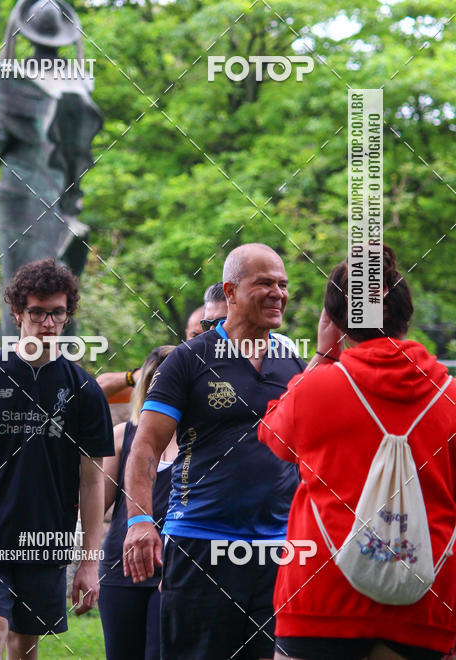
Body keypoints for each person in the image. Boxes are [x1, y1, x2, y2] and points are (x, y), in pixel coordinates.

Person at [259, 245, 456, 660]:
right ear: (406, 314)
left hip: (320, 599)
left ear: (337, 321)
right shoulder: (450, 397)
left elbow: (272, 436)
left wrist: (322, 354)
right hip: (424, 599)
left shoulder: (314, 391)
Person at [123, 243, 305, 660]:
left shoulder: (291, 360)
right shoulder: (188, 360)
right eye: (265, 283)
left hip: (277, 551)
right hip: (200, 544)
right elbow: (145, 445)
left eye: (283, 284)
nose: (278, 293)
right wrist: (138, 521)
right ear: (232, 291)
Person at [0, 258, 114, 660]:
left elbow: (92, 480)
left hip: (45, 537)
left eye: (57, 312)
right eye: (37, 312)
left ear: (68, 315)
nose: (47, 323)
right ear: (18, 311)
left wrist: (88, 562)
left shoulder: (85, 390)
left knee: (23, 643)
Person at [98, 346, 177, 660]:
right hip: (122, 567)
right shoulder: (123, 435)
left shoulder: (202, 440)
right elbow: (95, 503)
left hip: (175, 571)